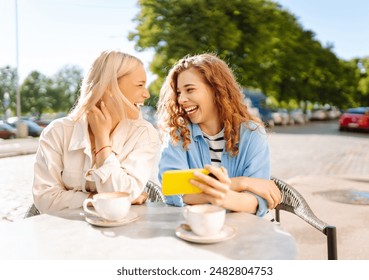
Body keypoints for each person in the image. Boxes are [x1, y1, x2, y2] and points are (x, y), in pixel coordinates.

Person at [33, 50, 160, 213]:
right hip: (65, 232)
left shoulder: (144, 134)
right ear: (110, 88)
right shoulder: (57, 132)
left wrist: (102, 141)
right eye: (140, 85)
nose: (146, 94)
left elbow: (125, 193)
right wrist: (95, 198)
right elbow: (45, 199)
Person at [157, 53, 281, 217]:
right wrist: (242, 183)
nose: (181, 99)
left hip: (242, 232)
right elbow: (173, 190)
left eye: (190, 89)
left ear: (216, 89)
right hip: (193, 228)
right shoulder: (178, 133)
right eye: (179, 92)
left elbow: (255, 201)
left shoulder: (252, 134)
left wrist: (207, 194)